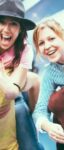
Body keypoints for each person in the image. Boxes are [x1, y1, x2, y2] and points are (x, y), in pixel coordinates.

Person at [0, 0, 42, 149]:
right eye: (2, 22)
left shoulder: (24, 49)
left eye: (14, 23)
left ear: (20, 30)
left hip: (15, 97)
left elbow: (13, 91)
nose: (6, 29)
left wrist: (35, 116)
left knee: (30, 144)